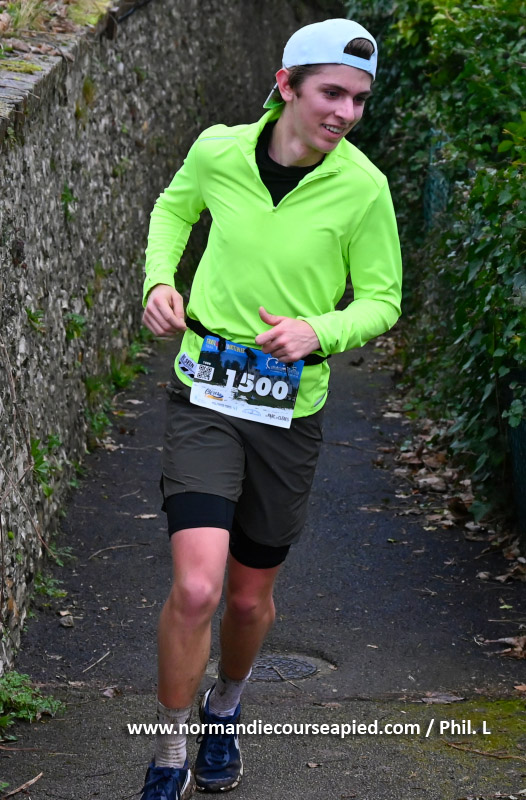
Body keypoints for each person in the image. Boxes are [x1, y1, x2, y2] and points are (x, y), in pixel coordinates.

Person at [140, 17, 402, 800]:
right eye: (331, 93)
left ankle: (225, 706)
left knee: (249, 598)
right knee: (197, 588)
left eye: (359, 99)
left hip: (288, 413)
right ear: (286, 85)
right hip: (206, 395)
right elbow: (173, 210)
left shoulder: (364, 188)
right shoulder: (219, 151)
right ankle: (168, 751)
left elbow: (383, 299)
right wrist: (160, 280)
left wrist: (319, 331)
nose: (346, 113)